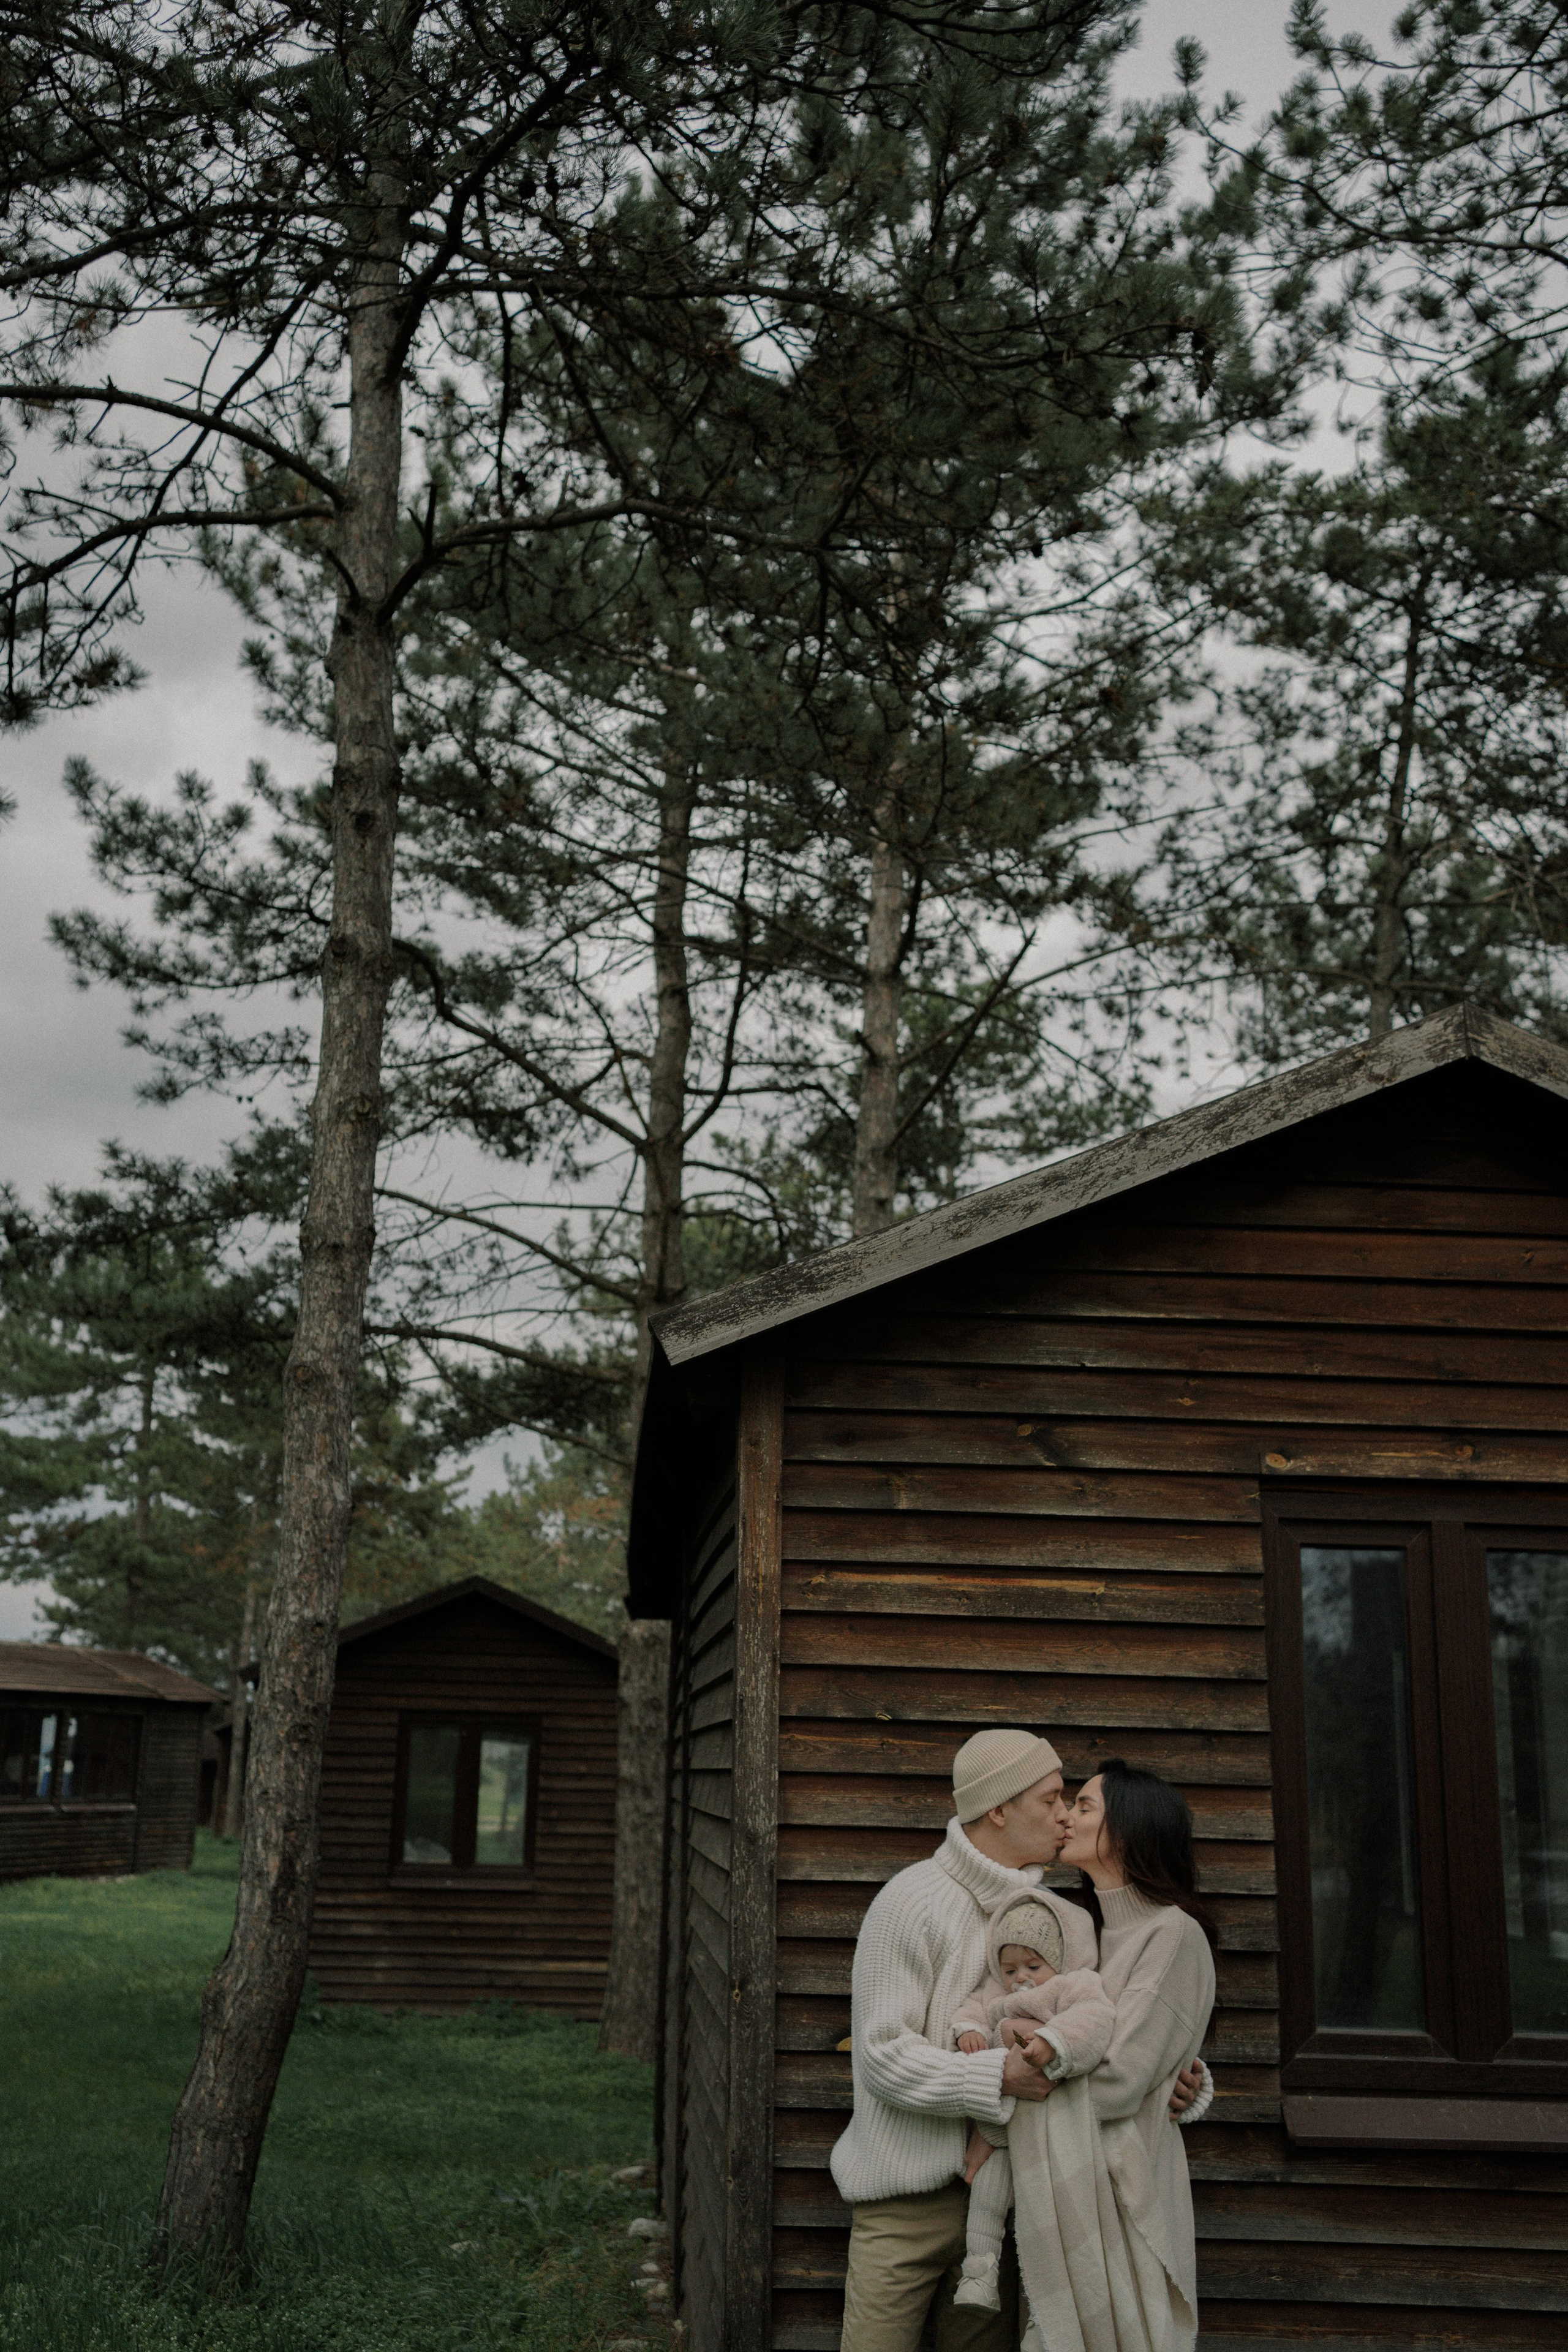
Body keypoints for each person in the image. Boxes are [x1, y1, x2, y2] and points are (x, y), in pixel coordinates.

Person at [831, 1728, 1208, 2352]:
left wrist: (1178, 2078)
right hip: (904, 2210)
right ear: (999, 1808)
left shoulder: (1050, 1911)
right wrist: (995, 2078)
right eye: (1052, 1799)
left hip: (1007, 2205)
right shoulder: (908, 1902)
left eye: (1072, 1802)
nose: (1063, 1816)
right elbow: (881, 2056)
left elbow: (1104, 2019)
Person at [1007, 1760, 1218, 2352]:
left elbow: (1121, 2080)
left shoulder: (1172, 1934)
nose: (1067, 1817)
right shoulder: (1083, 1933)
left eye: (1085, 1807)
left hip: (1126, 2192)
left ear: (1128, 1831)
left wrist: (998, 2088)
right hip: (1067, 2188)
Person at [945, 1889, 1117, 2313]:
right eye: (1010, 1969)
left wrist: (1053, 2040)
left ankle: (1050, 2307)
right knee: (988, 2189)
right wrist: (967, 2028)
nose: (1020, 1978)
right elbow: (974, 2007)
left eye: (1033, 1966)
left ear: (1057, 1960)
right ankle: (980, 2272)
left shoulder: (1073, 1985)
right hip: (1004, 2120)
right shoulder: (994, 1991)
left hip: (1050, 2124)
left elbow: (1094, 2021)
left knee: (1045, 2219)